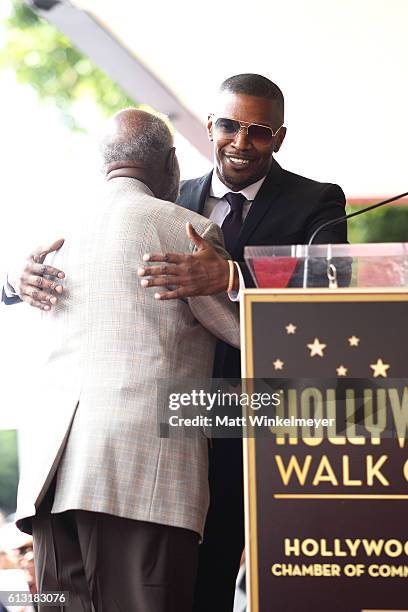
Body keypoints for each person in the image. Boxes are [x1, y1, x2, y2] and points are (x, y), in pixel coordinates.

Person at [3, 74, 347, 611]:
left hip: (261, 422)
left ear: (279, 137)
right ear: (208, 128)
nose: (240, 141)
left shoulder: (317, 201)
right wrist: (11, 282)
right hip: (163, 440)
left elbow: (332, 287)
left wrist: (234, 278)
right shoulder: (173, 201)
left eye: (258, 132)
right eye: (230, 126)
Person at [13, 108, 240, 611]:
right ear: (171, 164)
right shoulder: (188, 230)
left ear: (105, 165)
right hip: (143, 480)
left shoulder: (54, 231)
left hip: (51, 480)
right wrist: (229, 278)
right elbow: (246, 334)